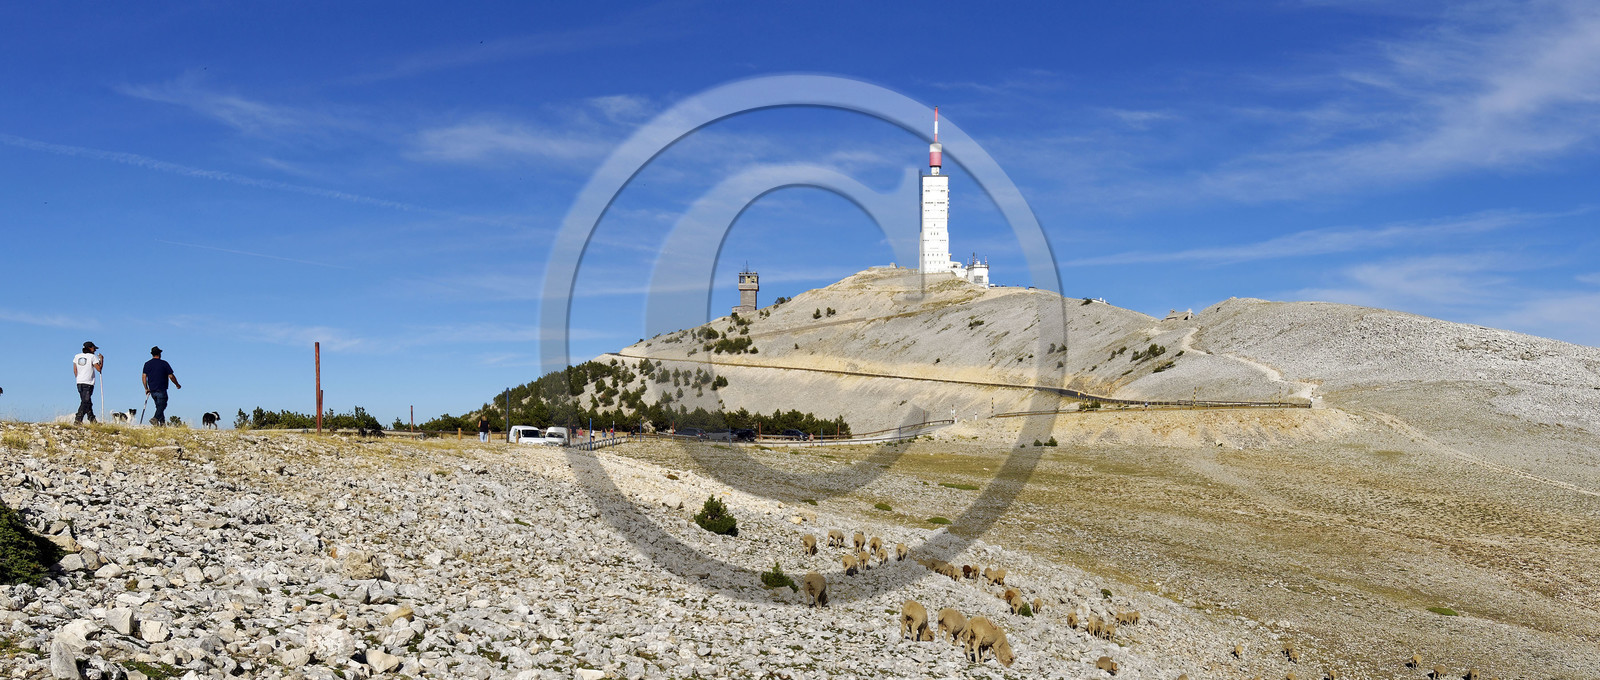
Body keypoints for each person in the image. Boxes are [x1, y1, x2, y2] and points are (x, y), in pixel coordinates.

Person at [141, 346, 181, 426]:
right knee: (162, 405)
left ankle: (162, 424)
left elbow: (144, 377)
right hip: (161, 389)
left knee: (159, 407)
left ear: (152, 354)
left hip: (152, 390)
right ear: (159, 354)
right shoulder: (164, 363)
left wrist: (146, 388)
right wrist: (177, 384)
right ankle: (155, 419)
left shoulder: (147, 364)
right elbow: (171, 376)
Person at [72, 341, 103, 424]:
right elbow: (99, 368)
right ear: (90, 348)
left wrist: (78, 378)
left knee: (87, 401)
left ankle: (92, 420)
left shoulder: (77, 356)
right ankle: (78, 419)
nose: (94, 350)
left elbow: (75, 370)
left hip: (79, 382)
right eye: (93, 348)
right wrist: (102, 360)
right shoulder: (93, 357)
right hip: (88, 383)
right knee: (85, 402)